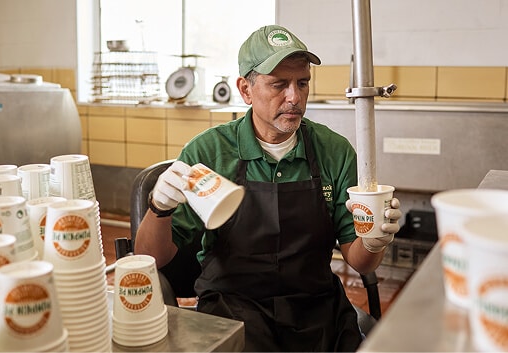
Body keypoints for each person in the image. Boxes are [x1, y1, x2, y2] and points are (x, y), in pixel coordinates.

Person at [135, 24, 402, 352]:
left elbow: (359, 262)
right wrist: (160, 206)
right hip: (234, 310)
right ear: (245, 90)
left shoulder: (334, 152)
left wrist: (374, 241)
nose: (294, 97)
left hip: (317, 310)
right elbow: (150, 258)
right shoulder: (208, 154)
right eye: (279, 84)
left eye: (302, 83)